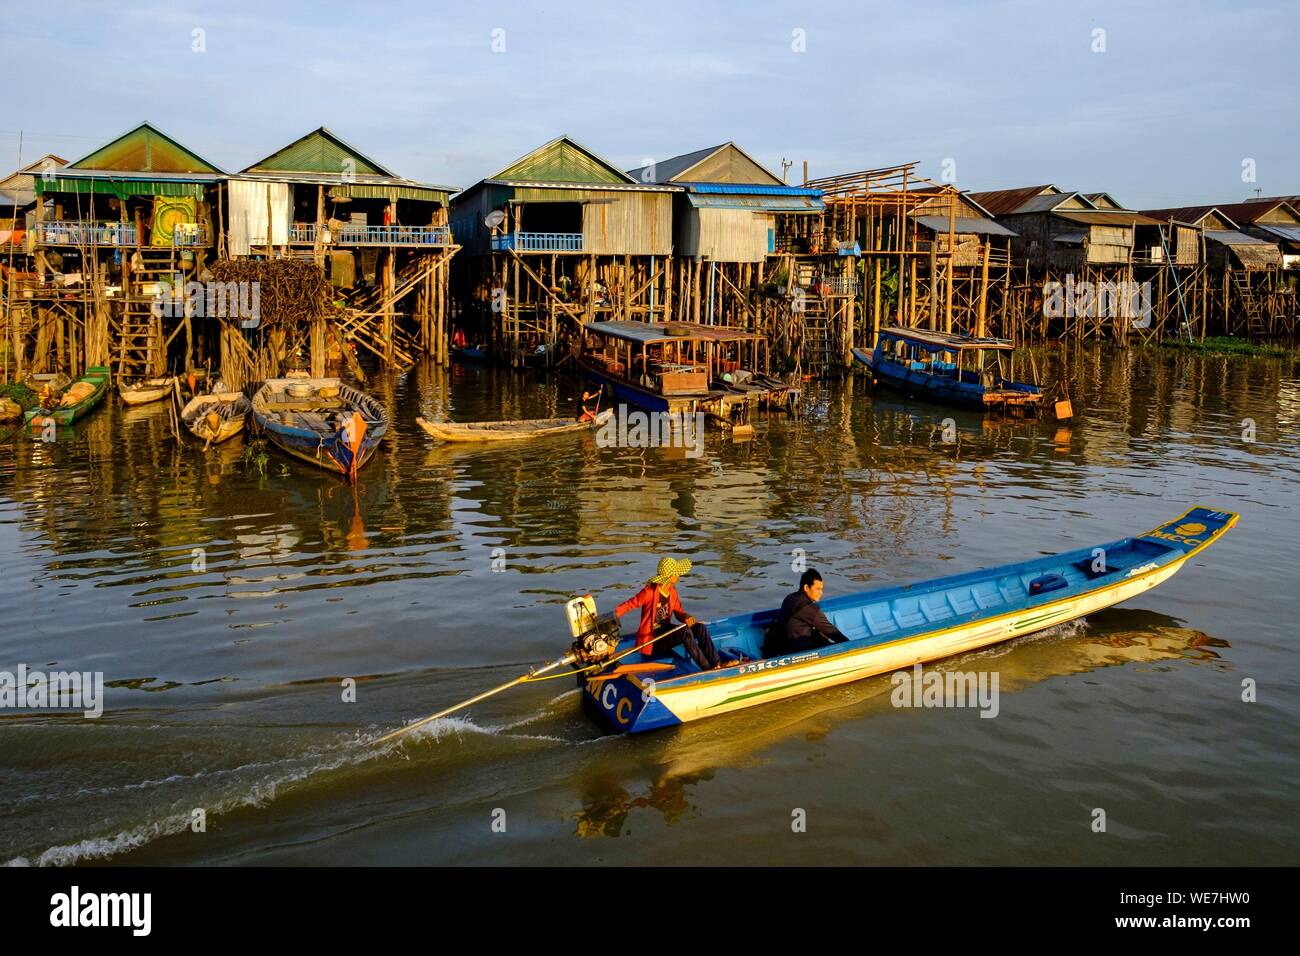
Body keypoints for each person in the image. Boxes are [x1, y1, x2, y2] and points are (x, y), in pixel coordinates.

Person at [615, 557, 721, 670]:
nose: (678, 576)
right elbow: (629, 604)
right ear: (669, 576)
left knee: (700, 628)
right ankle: (707, 668)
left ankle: (717, 664)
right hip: (652, 640)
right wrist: (614, 616)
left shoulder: (672, 592)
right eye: (676, 574)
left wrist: (686, 617)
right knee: (685, 633)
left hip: (665, 633)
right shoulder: (649, 592)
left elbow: (679, 612)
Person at [764, 568, 849, 657]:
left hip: (782, 644)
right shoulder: (810, 609)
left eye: (822, 589)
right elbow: (831, 631)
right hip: (796, 651)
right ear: (806, 587)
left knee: (817, 633)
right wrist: (849, 645)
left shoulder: (790, 597)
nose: (821, 593)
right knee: (828, 640)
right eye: (818, 589)